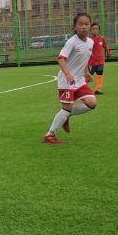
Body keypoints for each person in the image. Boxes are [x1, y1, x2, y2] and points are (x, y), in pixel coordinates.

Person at [43, 13, 97, 144]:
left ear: (90, 26)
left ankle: (66, 115)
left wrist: (87, 72)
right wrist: (67, 74)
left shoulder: (90, 42)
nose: (84, 27)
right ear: (75, 27)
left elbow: (82, 60)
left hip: (79, 81)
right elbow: (61, 59)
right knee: (66, 107)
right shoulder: (71, 42)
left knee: (92, 103)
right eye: (80, 24)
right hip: (66, 81)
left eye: (87, 24)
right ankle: (50, 134)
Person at [88, 22, 112, 94]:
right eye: (93, 29)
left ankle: (97, 89)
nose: (95, 30)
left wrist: (108, 52)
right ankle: (83, 89)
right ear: (91, 30)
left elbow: (105, 46)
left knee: (100, 73)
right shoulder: (89, 40)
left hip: (100, 60)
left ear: (99, 30)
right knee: (89, 76)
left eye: (96, 29)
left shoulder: (102, 38)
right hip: (91, 62)